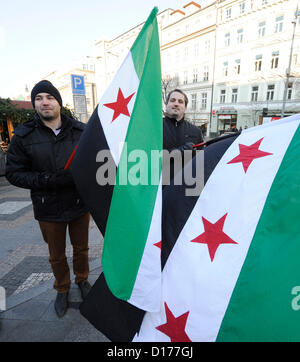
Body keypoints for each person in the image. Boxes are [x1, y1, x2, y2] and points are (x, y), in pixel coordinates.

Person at [5, 80, 91, 318]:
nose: (45, 102)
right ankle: (62, 289)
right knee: (56, 254)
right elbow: (13, 173)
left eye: (50, 97)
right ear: (34, 104)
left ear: (59, 103)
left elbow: (96, 162)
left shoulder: (81, 131)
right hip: (48, 207)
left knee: (82, 248)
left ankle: (82, 280)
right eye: (39, 98)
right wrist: (46, 179)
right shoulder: (24, 135)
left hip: (78, 204)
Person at [163, 89, 204, 184]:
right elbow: (150, 158)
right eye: (172, 100)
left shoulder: (196, 131)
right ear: (166, 105)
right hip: (160, 189)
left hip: (186, 188)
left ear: (185, 107)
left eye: (180, 102)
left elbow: (200, 164)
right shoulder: (156, 127)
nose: (176, 104)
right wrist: (179, 152)